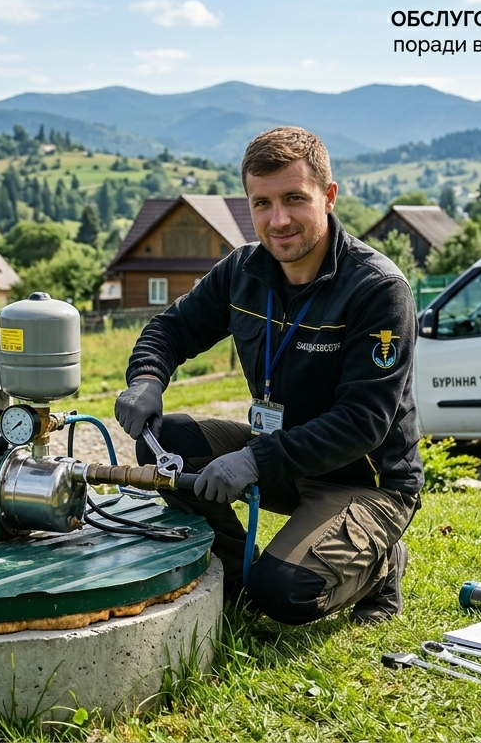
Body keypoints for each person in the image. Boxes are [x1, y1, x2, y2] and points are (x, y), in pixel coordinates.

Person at [114, 127, 423, 625]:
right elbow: (170, 328)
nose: (278, 220)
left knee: (286, 595)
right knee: (162, 444)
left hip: (367, 481)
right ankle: (239, 579)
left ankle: (381, 564)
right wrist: (147, 379)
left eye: (294, 199)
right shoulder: (243, 272)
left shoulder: (377, 289)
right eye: (262, 203)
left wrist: (254, 461)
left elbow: (363, 422)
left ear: (328, 196)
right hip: (282, 463)